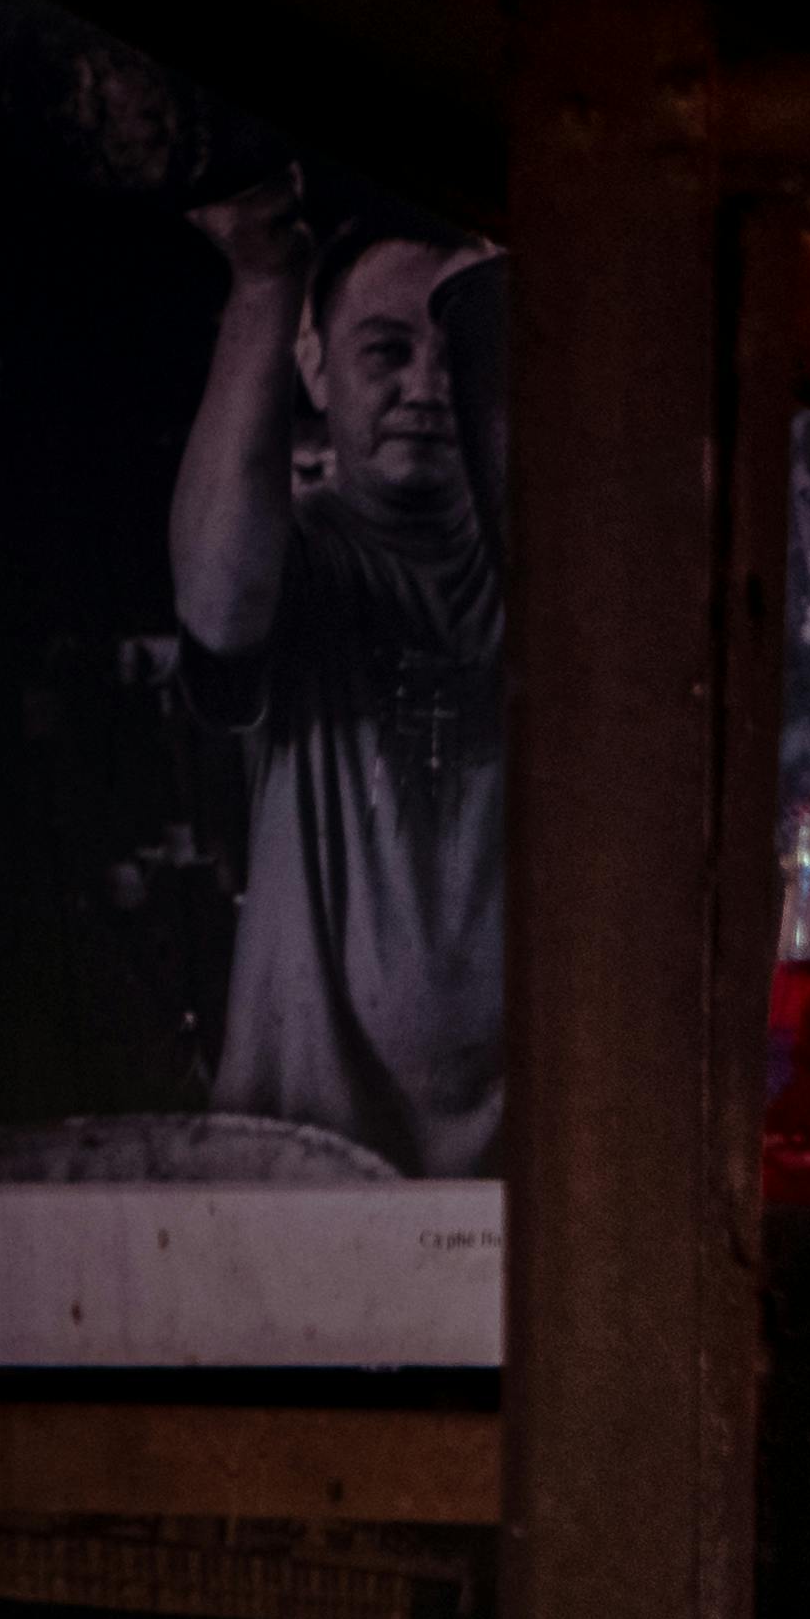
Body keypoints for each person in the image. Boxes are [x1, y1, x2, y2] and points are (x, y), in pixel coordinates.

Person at [168, 186, 511, 1174]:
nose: (428, 386)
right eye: (386, 350)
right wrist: (266, 285)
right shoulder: (299, 561)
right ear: (315, 366)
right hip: (300, 1158)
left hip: (521, 1190)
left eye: (460, 352)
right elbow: (221, 601)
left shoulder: (555, 584)